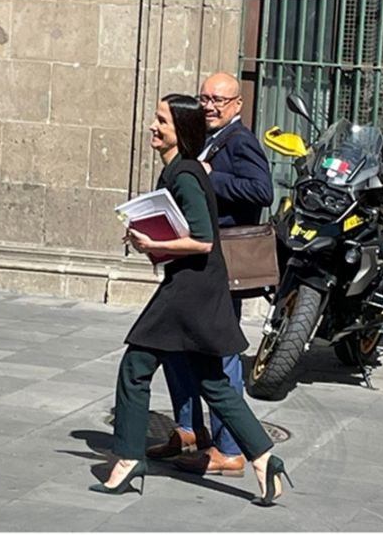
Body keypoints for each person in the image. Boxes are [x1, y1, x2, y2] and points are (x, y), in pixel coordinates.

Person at [89, 94, 290, 505]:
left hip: (189, 291)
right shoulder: (181, 172)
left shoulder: (182, 174)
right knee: (212, 383)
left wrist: (151, 241)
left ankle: (128, 459)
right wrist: (151, 243)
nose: (152, 126)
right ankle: (263, 458)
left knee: (135, 367)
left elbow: (202, 239)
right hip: (196, 287)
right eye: (155, 118)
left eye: (161, 120)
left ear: (180, 130)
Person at [147, 72, 274, 478]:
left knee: (219, 354)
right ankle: (187, 429)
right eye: (204, 98)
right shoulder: (205, 138)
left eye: (220, 100)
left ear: (237, 104)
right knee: (175, 346)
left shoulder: (241, 142)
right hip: (190, 264)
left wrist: (207, 175)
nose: (210, 106)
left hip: (221, 266)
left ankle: (230, 447)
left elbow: (261, 190)